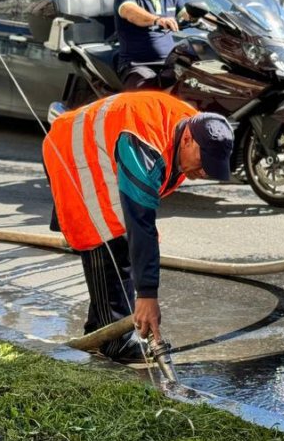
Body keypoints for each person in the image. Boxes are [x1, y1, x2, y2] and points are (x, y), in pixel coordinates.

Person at [42, 92, 235, 363]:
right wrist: (146, 296)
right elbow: (139, 222)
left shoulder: (192, 127)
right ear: (189, 140)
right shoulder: (145, 146)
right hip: (73, 151)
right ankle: (113, 342)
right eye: (204, 164)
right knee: (108, 236)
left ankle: (100, 329)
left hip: (98, 147)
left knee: (118, 242)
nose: (205, 173)